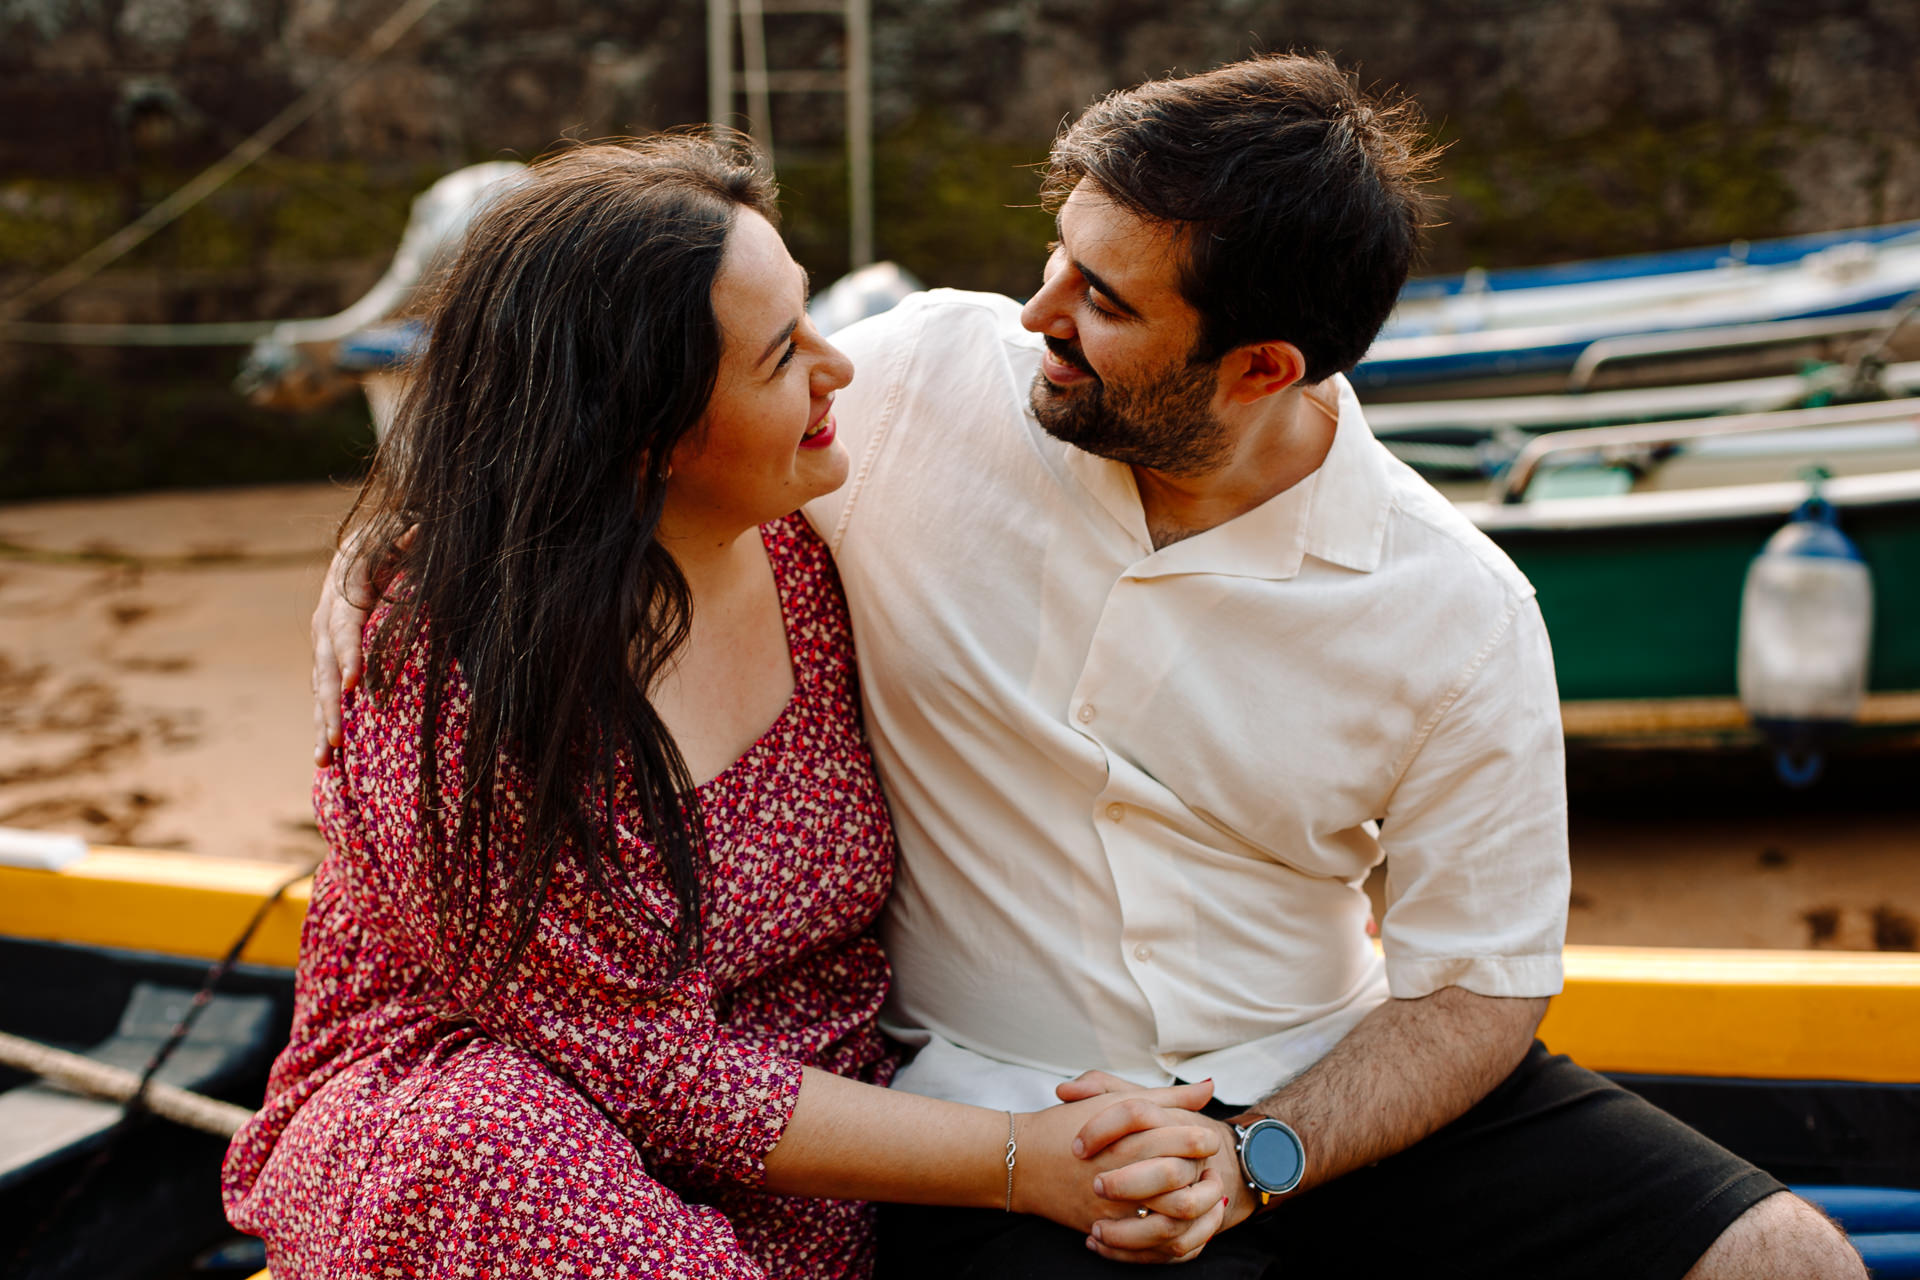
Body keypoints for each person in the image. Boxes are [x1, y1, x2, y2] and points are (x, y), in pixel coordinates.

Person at [312, 61, 1868, 1280]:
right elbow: (594, 423)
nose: (1035, 318)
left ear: (1261, 368)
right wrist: (396, 550)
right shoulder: (924, 387)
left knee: (1787, 1258)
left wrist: (1261, 1153)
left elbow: (1479, 985)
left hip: (1309, 1084)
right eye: (1057, 259)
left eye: (1104, 304)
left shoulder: (1457, 608)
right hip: (998, 1105)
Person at [227, 135, 1241, 1280]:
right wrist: (1021, 1158)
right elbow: (646, 1065)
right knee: (487, 1140)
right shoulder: (456, 675)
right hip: (488, 1132)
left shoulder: (824, 538)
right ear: (640, 429)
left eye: (811, 314)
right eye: (780, 356)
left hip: (807, 1148)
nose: (838, 368)